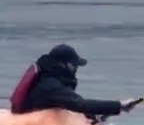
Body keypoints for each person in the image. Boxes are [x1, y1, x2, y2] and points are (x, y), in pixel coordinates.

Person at [10, 43, 141, 120]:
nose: (76, 68)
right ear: (63, 64)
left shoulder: (48, 76)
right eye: (74, 65)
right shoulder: (50, 85)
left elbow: (71, 102)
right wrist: (119, 106)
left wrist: (95, 115)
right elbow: (78, 104)